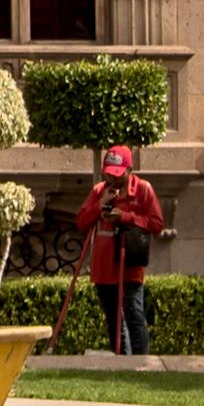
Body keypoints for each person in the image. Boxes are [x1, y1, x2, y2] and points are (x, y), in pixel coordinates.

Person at [73, 141, 168, 359]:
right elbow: (81, 222)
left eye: (118, 174)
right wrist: (100, 205)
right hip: (104, 266)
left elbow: (156, 224)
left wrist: (124, 217)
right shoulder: (99, 191)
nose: (113, 179)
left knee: (134, 315)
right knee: (113, 318)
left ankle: (141, 363)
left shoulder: (143, 189)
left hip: (130, 264)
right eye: (109, 174)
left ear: (129, 170)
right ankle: (121, 361)